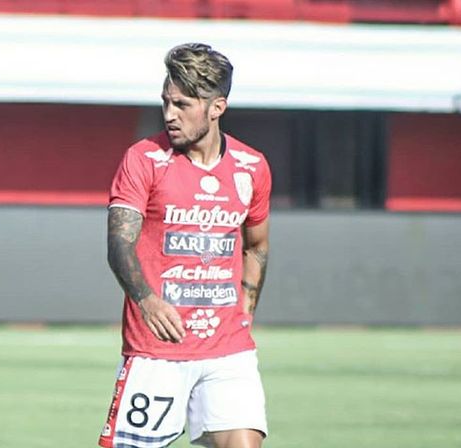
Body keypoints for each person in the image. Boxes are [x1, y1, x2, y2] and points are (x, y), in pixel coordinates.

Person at [98, 42, 272, 448]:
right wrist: (148, 301)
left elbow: (257, 245)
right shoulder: (143, 159)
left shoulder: (252, 167)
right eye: (166, 102)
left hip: (228, 349)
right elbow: (118, 245)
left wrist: (245, 310)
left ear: (216, 107)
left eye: (182, 104)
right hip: (157, 351)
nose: (169, 114)